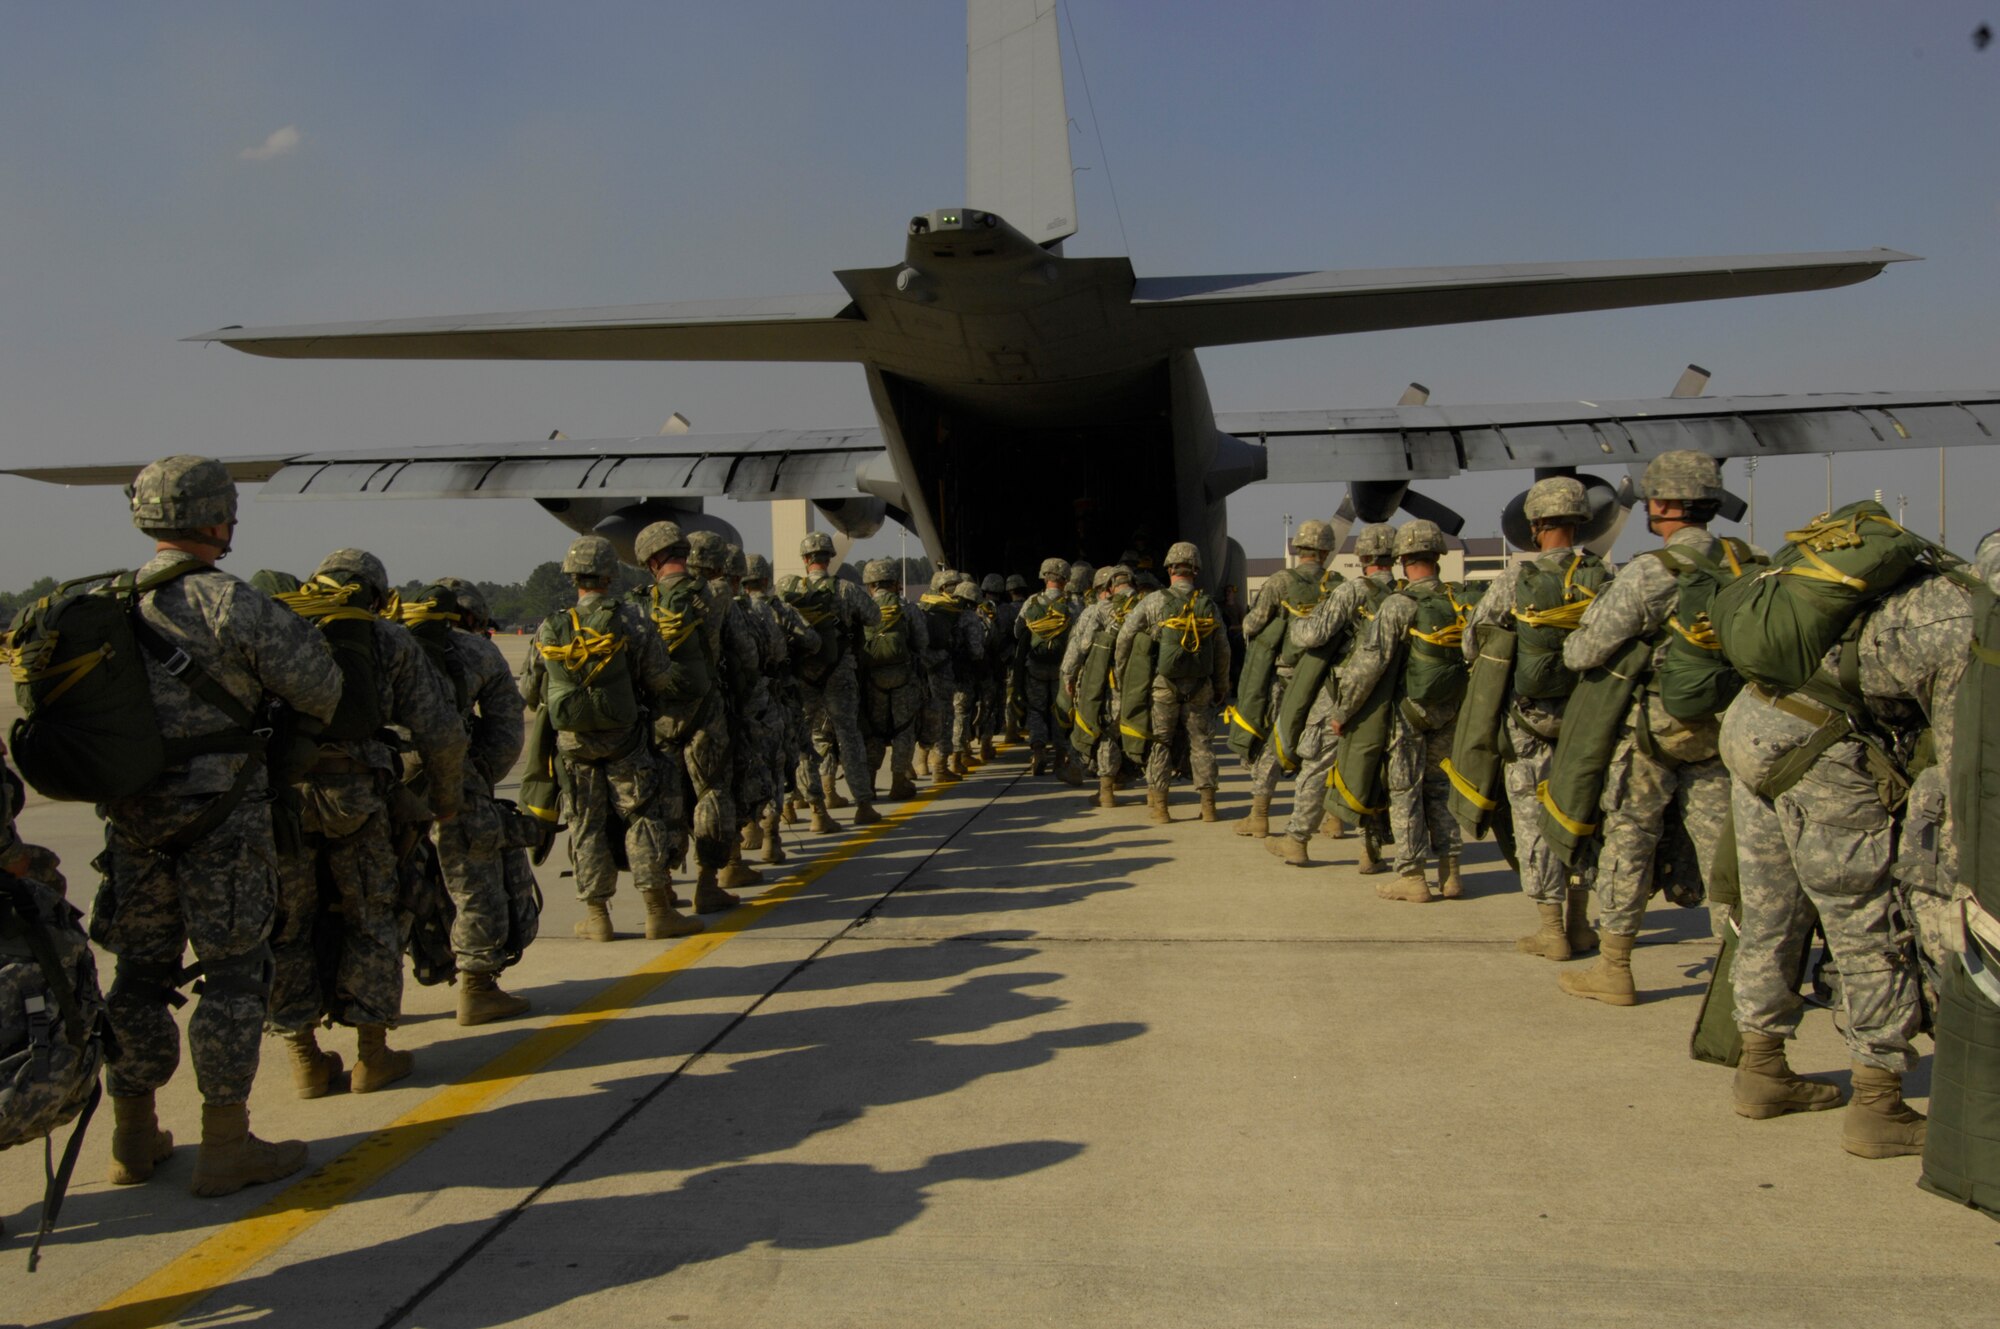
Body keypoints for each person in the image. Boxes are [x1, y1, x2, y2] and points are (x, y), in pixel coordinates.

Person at [96, 455, 342, 1197]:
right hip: (223, 822)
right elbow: (321, 683)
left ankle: (132, 1138)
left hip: (132, 822)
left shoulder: (107, 602)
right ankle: (226, 1143)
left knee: (138, 974)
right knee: (233, 974)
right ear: (213, 518)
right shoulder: (230, 603)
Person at [1719, 559, 1971, 1156]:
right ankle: (1879, 1106)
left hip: (1753, 725)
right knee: (1866, 924)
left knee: (1770, 914)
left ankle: (1761, 1068)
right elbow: (1966, 769)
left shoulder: (1922, 580)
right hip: (1819, 751)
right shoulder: (1962, 625)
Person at [267, 548, 467, 1097]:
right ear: (377, 597)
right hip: (358, 800)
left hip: (279, 803)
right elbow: (441, 729)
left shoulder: (273, 626)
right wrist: (444, 800)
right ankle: (372, 1057)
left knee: (287, 924)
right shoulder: (385, 638)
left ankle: (305, 1059)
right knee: (374, 915)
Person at [1556, 451, 1743, 1005]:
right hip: (1725, 734)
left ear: (1660, 504)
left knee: (1629, 841)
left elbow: (1582, 651)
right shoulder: (1746, 565)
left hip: (1654, 735)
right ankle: (1738, 972)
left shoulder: (1652, 572)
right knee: (1725, 856)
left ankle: (1615, 968)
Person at [1459, 477, 1610, 958]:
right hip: (1588, 723)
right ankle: (1581, 924)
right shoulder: (1606, 579)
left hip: (1527, 724)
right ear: (1580, 520)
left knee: (1532, 819)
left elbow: (1472, 641)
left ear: (1536, 524)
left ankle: (1550, 930)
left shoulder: (1513, 581)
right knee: (1582, 813)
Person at [522, 534, 695, 942]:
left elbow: (531, 693)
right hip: (626, 740)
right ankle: (657, 911)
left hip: (573, 744)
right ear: (610, 576)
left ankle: (597, 917)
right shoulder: (633, 619)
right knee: (640, 815)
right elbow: (659, 678)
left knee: (585, 822)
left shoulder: (551, 626)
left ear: (573, 577)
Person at [1330, 520, 1466, 902]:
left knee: (1405, 789)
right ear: (1438, 555)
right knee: (1441, 789)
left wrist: (1343, 711)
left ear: (1403, 558)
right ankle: (1452, 871)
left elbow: (1367, 666)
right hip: (1451, 711)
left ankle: (1412, 875)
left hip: (1408, 713)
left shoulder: (1398, 604)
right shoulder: (1460, 599)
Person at [424, 579, 532, 1024]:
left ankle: (368, 1023)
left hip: (381, 787)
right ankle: (477, 989)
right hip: (455, 786)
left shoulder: (389, 642)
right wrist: (477, 775)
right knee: (474, 883)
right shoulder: (478, 651)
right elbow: (507, 733)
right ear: (471, 616)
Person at [1265, 524, 1399, 868]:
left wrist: (1294, 624)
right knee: (1375, 768)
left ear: (1364, 556)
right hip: (1387, 695)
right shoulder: (1404, 594)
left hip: (1340, 693)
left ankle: (1297, 840)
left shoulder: (1353, 590)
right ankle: (1370, 851)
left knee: (1316, 762)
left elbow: (1313, 634)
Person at [1115, 541, 1231, 823]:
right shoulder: (1208, 605)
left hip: (1164, 685)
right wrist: (1221, 685)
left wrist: (1121, 676)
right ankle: (1209, 806)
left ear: (1169, 569)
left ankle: (1161, 807)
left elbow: (1125, 638)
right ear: (1196, 570)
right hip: (1200, 686)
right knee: (1201, 743)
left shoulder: (1154, 601)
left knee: (1161, 743)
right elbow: (1223, 649)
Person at [1235, 519, 1336, 838]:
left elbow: (1252, 625)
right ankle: (1333, 818)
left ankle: (1260, 815)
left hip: (1286, 678)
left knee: (1276, 741)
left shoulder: (1280, 582)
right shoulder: (1338, 584)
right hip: (1326, 680)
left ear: (1300, 548)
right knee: (1328, 748)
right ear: (1326, 550)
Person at [684, 530, 768, 902]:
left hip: (665, 716)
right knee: (716, 791)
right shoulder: (720, 599)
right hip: (711, 713)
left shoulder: (655, 598)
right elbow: (748, 657)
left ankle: (663, 891)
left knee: (668, 796)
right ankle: (710, 881)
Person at [783, 532, 883, 823]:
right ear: (829, 557)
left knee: (802, 739)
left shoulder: (790, 590)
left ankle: (799, 805)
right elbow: (875, 617)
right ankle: (863, 805)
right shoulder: (846, 590)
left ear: (804, 560)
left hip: (803, 676)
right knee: (848, 736)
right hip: (840, 673)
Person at [741, 553, 818, 859]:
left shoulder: (731, 610)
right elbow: (812, 641)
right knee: (776, 765)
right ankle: (772, 839)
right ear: (765, 579)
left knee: (741, 766)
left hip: (738, 702)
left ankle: (748, 827)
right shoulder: (779, 609)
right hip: (775, 698)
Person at [1061, 564, 1136, 808]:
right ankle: (1128, 779)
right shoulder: (1145, 605)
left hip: (1109, 681)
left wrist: (1068, 675)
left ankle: (1106, 790)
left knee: (1106, 731)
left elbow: (1080, 647)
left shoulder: (1096, 611)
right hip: (1141, 681)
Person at [859, 558, 931, 800]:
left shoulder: (862, 609)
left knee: (875, 731)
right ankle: (898, 782)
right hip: (903, 678)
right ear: (895, 584)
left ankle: (868, 782)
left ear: (870, 584)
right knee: (904, 729)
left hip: (873, 681)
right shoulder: (908, 608)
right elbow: (922, 642)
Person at [1016, 557, 1085, 784]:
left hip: (1035, 666)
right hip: (1061, 668)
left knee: (1036, 709)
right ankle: (1060, 756)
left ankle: (1037, 750)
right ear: (1065, 579)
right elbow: (1080, 635)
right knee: (1060, 710)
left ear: (1044, 577)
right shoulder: (1073, 604)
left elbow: (1018, 632)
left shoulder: (1032, 602)